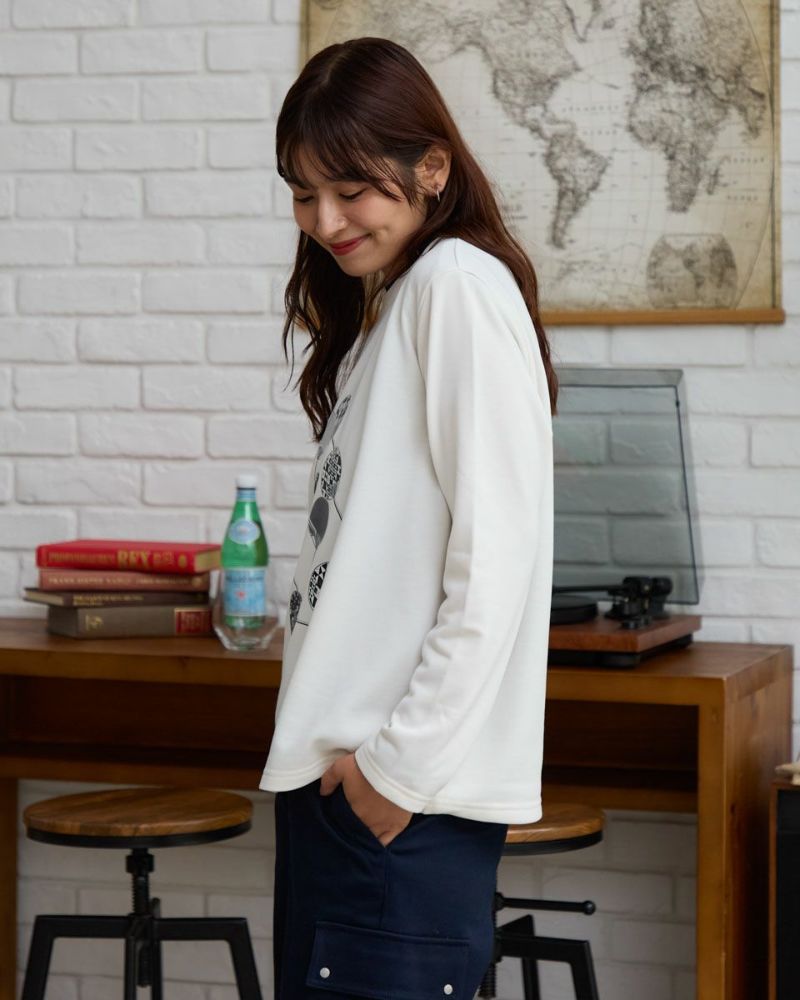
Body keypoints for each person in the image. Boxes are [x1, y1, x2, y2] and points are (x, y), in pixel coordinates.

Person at [259, 36, 557, 999]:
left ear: (431, 168)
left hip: (395, 805)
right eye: (304, 194)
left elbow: (496, 560)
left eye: (351, 189)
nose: (325, 221)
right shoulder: (390, 309)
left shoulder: (455, 287)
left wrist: (395, 775)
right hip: (348, 794)